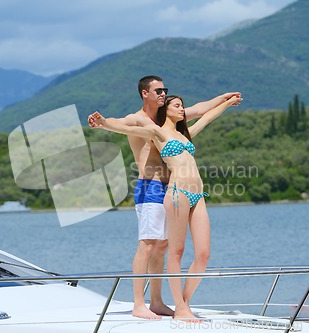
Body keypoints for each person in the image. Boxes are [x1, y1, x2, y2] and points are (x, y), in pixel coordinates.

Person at [88, 75, 241, 319]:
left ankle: (157, 301)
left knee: (163, 246)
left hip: (173, 187)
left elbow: (202, 111)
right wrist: (103, 122)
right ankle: (139, 303)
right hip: (150, 186)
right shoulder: (140, 120)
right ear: (144, 93)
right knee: (148, 245)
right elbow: (121, 124)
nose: (162, 93)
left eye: (164, 91)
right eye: (158, 90)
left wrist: (223, 98)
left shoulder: (168, 118)